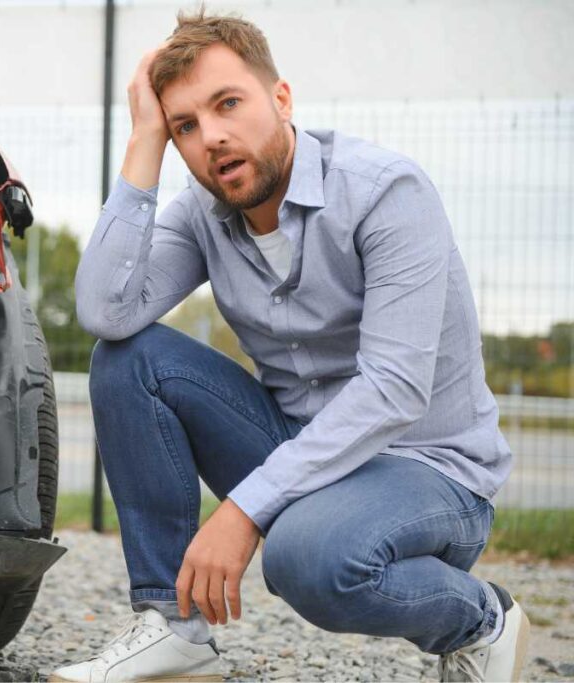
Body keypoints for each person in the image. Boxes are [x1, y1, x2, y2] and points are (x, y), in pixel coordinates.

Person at [49, 10, 528, 683]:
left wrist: (243, 508)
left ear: (281, 98)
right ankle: (173, 629)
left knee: (307, 559)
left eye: (228, 104)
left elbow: (394, 388)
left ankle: (484, 617)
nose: (211, 136)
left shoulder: (385, 192)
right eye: (185, 124)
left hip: (430, 471)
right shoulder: (203, 213)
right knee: (129, 358)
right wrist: (144, 142)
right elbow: (106, 310)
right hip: (302, 449)